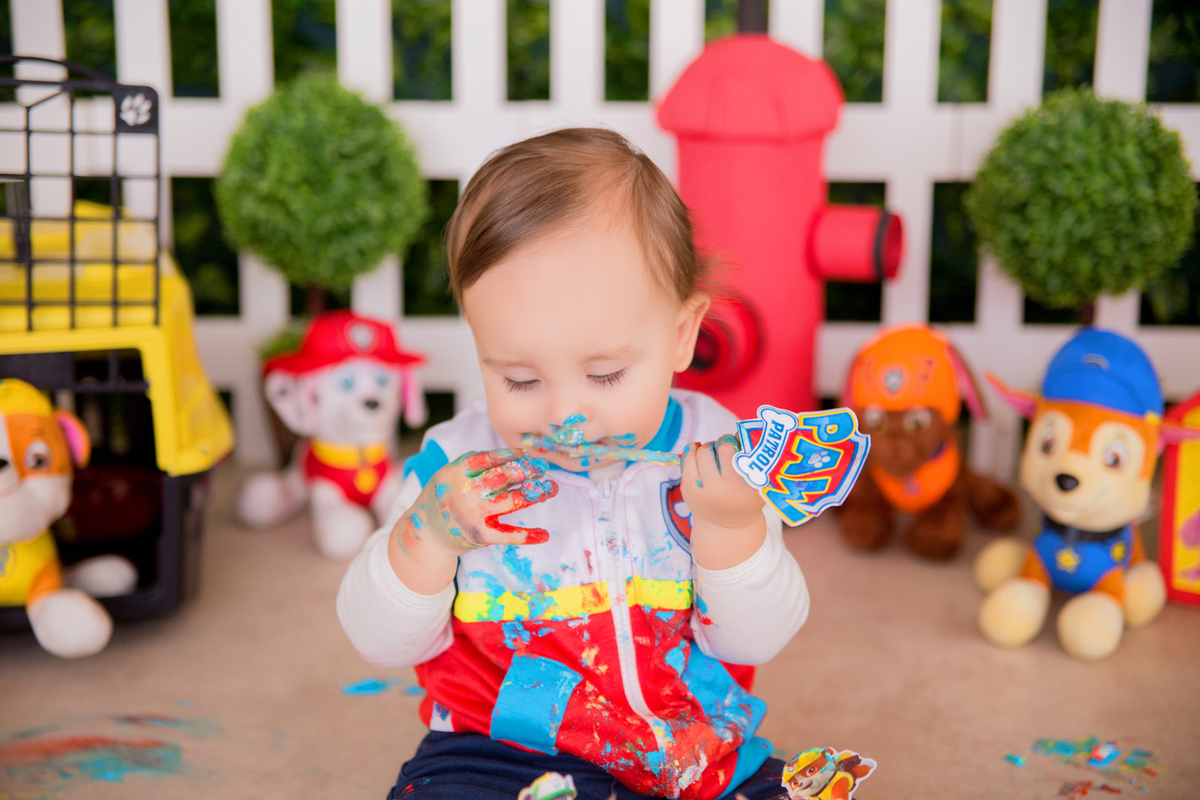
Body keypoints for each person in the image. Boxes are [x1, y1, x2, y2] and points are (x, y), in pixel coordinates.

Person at [338, 128, 810, 800]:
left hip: (693, 747)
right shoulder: (455, 469)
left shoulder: (725, 456)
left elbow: (755, 641)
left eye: (606, 373)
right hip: (496, 750)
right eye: (520, 379)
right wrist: (429, 536)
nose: (566, 415)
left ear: (682, 335)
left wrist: (733, 530)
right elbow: (379, 641)